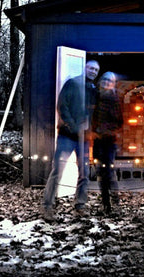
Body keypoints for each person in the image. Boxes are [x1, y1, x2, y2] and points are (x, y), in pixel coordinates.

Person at [41, 60, 100, 221]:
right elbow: (62, 105)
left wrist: (91, 132)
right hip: (67, 136)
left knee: (84, 173)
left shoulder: (93, 90)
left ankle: (80, 205)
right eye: (91, 68)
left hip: (84, 139)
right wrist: (73, 126)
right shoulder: (72, 83)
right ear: (85, 68)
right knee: (57, 171)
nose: (93, 71)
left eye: (96, 70)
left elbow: (93, 115)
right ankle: (47, 206)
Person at [92, 71, 123, 215]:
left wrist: (107, 130)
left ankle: (114, 201)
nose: (106, 82)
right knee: (99, 171)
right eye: (104, 79)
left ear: (113, 83)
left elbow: (119, 121)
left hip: (109, 141)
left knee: (108, 172)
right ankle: (105, 203)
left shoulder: (115, 99)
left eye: (109, 80)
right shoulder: (96, 97)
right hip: (97, 140)